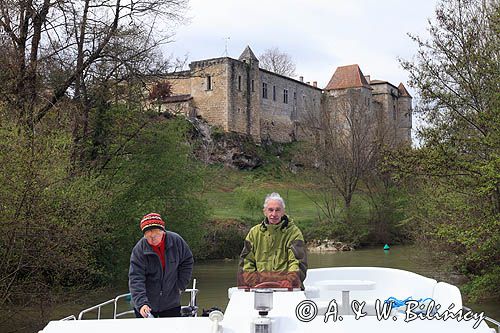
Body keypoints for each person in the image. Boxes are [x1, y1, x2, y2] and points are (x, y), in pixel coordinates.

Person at [129, 212, 194, 318]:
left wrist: (181, 285)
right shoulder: (139, 250)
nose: (152, 239)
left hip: (171, 303)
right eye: (148, 237)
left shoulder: (176, 241)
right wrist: (141, 303)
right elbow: (136, 278)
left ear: (162, 231)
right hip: (146, 305)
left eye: (155, 235)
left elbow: (187, 261)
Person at [238, 192, 307, 289]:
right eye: (270, 210)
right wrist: (253, 282)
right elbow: (246, 262)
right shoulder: (254, 233)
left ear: (283, 212)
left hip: (288, 289)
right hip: (259, 288)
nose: (274, 214)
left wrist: (289, 281)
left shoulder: (294, 233)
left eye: (278, 210)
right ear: (264, 212)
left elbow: (297, 262)